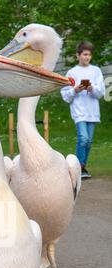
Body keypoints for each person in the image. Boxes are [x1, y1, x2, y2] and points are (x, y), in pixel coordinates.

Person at [61, 41, 105, 179]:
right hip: (79, 111)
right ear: (78, 55)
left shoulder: (96, 71)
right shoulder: (72, 73)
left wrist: (92, 88)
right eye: (85, 54)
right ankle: (79, 167)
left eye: (89, 55)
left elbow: (101, 92)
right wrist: (75, 90)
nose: (87, 57)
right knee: (83, 138)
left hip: (92, 111)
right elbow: (65, 95)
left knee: (89, 141)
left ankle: (82, 167)